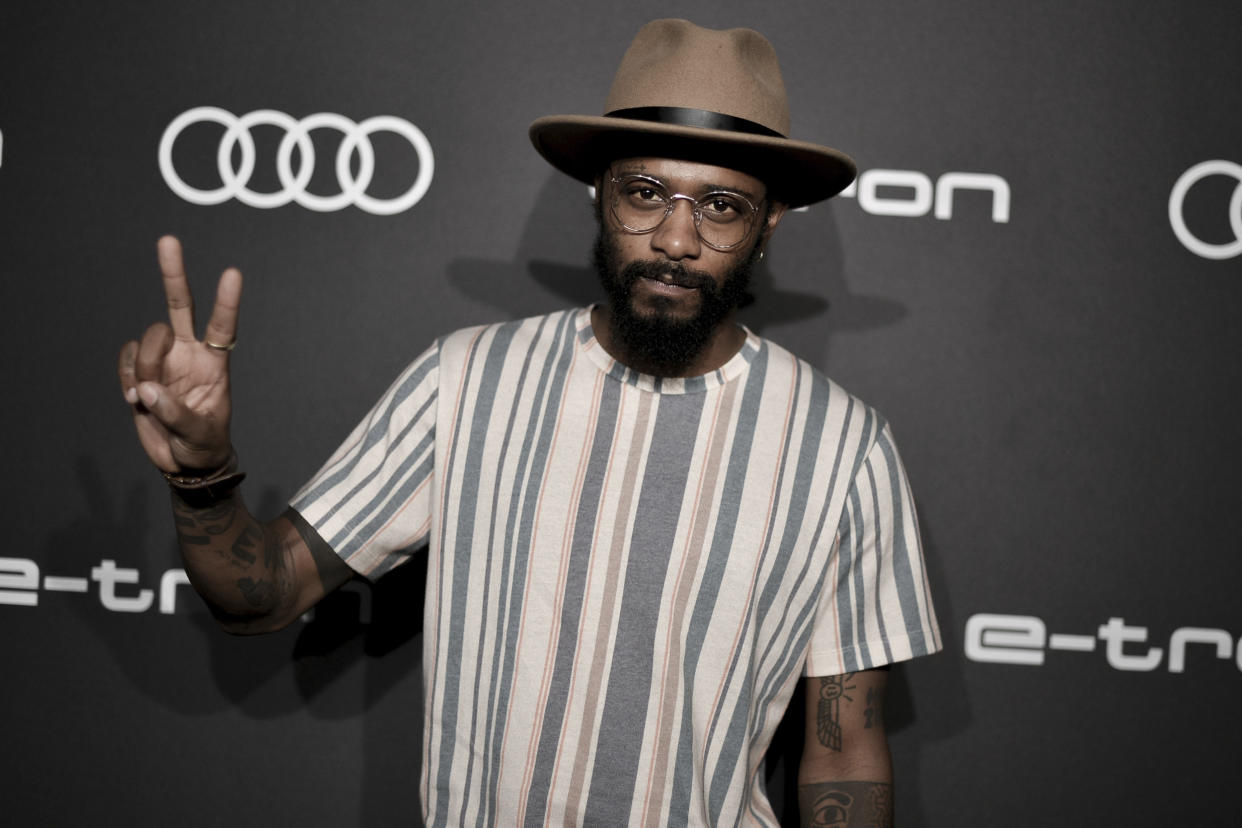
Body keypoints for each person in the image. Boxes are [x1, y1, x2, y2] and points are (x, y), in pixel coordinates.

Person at [118, 19, 941, 828]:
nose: (676, 238)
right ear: (599, 193)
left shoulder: (842, 448)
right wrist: (201, 477)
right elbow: (261, 593)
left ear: (767, 225)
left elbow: (844, 751)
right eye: (645, 193)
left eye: (720, 205)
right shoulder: (467, 380)